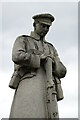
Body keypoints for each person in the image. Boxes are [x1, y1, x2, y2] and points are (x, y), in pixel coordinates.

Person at [9, 13, 67, 118]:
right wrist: (39, 58)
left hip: (49, 87)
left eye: (48, 27)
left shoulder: (50, 48)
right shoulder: (23, 40)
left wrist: (53, 63)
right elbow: (16, 56)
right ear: (35, 24)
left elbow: (62, 71)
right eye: (42, 26)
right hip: (29, 83)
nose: (45, 29)